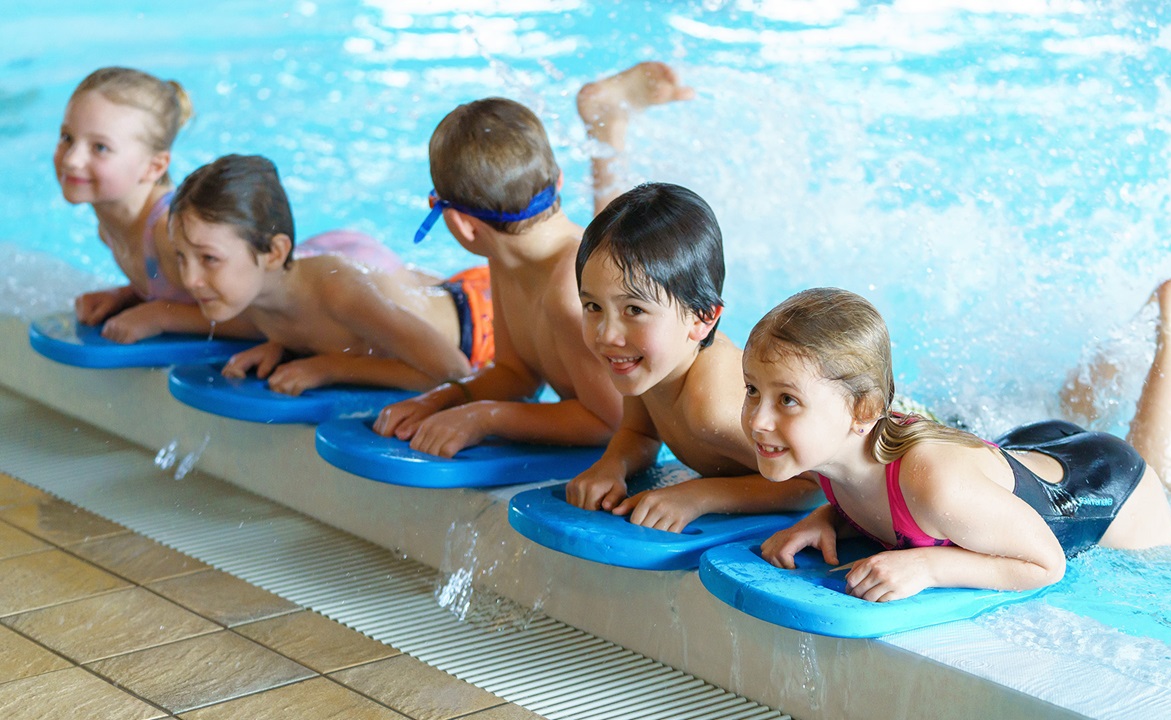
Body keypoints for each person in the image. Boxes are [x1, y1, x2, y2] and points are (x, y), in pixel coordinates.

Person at [748, 274, 1171, 601]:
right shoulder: (834, 450)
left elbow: (1046, 565)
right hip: (1025, 454)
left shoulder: (936, 486)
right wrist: (827, 517)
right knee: (1071, 410)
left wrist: (929, 569)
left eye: (787, 400)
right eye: (752, 390)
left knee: (1170, 487)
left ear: (864, 411)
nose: (757, 420)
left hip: (1099, 488)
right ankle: (1142, 325)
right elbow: (877, 494)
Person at [374, 62, 694, 456]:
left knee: (613, 259)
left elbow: (610, 422)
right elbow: (517, 374)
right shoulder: (505, 258)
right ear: (558, 180)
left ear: (461, 223)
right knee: (613, 247)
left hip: (668, 424)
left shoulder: (568, 296)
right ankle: (607, 121)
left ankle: (608, 123)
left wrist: (484, 417)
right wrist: (441, 399)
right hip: (580, 267)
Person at [565, 183, 822, 532]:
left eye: (634, 310)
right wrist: (612, 464)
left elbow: (815, 483)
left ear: (702, 319)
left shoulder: (710, 405)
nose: (607, 334)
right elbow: (640, 433)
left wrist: (700, 496)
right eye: (593, 306)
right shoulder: (650, 368)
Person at [171, 154, 493, 394]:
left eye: (209, 259)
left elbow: (452, 371)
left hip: (482, 327)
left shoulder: (337, 292)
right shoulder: (252, 296)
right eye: (180, 257)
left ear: (274, 253)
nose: (189, 279)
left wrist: (331, 367)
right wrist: (287, 347)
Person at [54, 66, 221, 342]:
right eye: (67, 137)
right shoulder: (109, 227)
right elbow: (176, 288)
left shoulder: (171, 234)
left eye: (100, 147)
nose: (71, 159)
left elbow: (256, 316)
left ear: (153, 167)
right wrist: (125, 296)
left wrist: (159, 315)